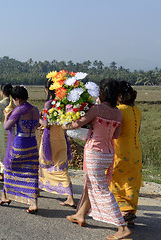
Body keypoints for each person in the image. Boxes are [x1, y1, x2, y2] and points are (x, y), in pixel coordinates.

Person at [64, 79, 131, 240]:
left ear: (103, 92)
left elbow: (77, 124)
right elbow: (116, 135)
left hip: (95, 153)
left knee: (101, 190)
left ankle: (122, 227)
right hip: (108, 154)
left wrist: (65, 124)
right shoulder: (118, 113)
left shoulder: (96, 109)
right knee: (90, 185)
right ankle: (80, 214)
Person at [0, 86, 40, 214]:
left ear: (18, 99)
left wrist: (6, 116)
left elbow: (6, 126)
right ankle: (33, 203)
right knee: (31, 173)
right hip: (32, 143)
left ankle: (5, 196)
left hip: (20, 144)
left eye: (14, 100)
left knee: (9, 169)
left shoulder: (18, 110)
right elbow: (37, 125)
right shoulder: (35, 110)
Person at [109, 81, 142, 227]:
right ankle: (130, 212)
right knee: (132, 182)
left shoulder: (119, 111)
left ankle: (123, 212)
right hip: (135, 151)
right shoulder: (138, 110)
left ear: (120, 96)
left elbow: (115, 132)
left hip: (121, 151)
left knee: (117, 179)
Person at [39, 79, 75, 207]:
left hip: (49, 139)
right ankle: (69, 196)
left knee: (43, 163)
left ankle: (39, 188)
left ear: (47, 89)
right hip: (61, 137)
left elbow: (46, 124)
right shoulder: (64, 104)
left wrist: (40, 119)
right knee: (62, 167)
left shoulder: (48, 104)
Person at [0, 83, 13, 181]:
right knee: (9, 149)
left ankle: (2, 172)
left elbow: (0, 118)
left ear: (2, 92)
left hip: (3, 128)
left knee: (1, 149)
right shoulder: (14, 102)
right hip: (12, 129)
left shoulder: (1, 103)